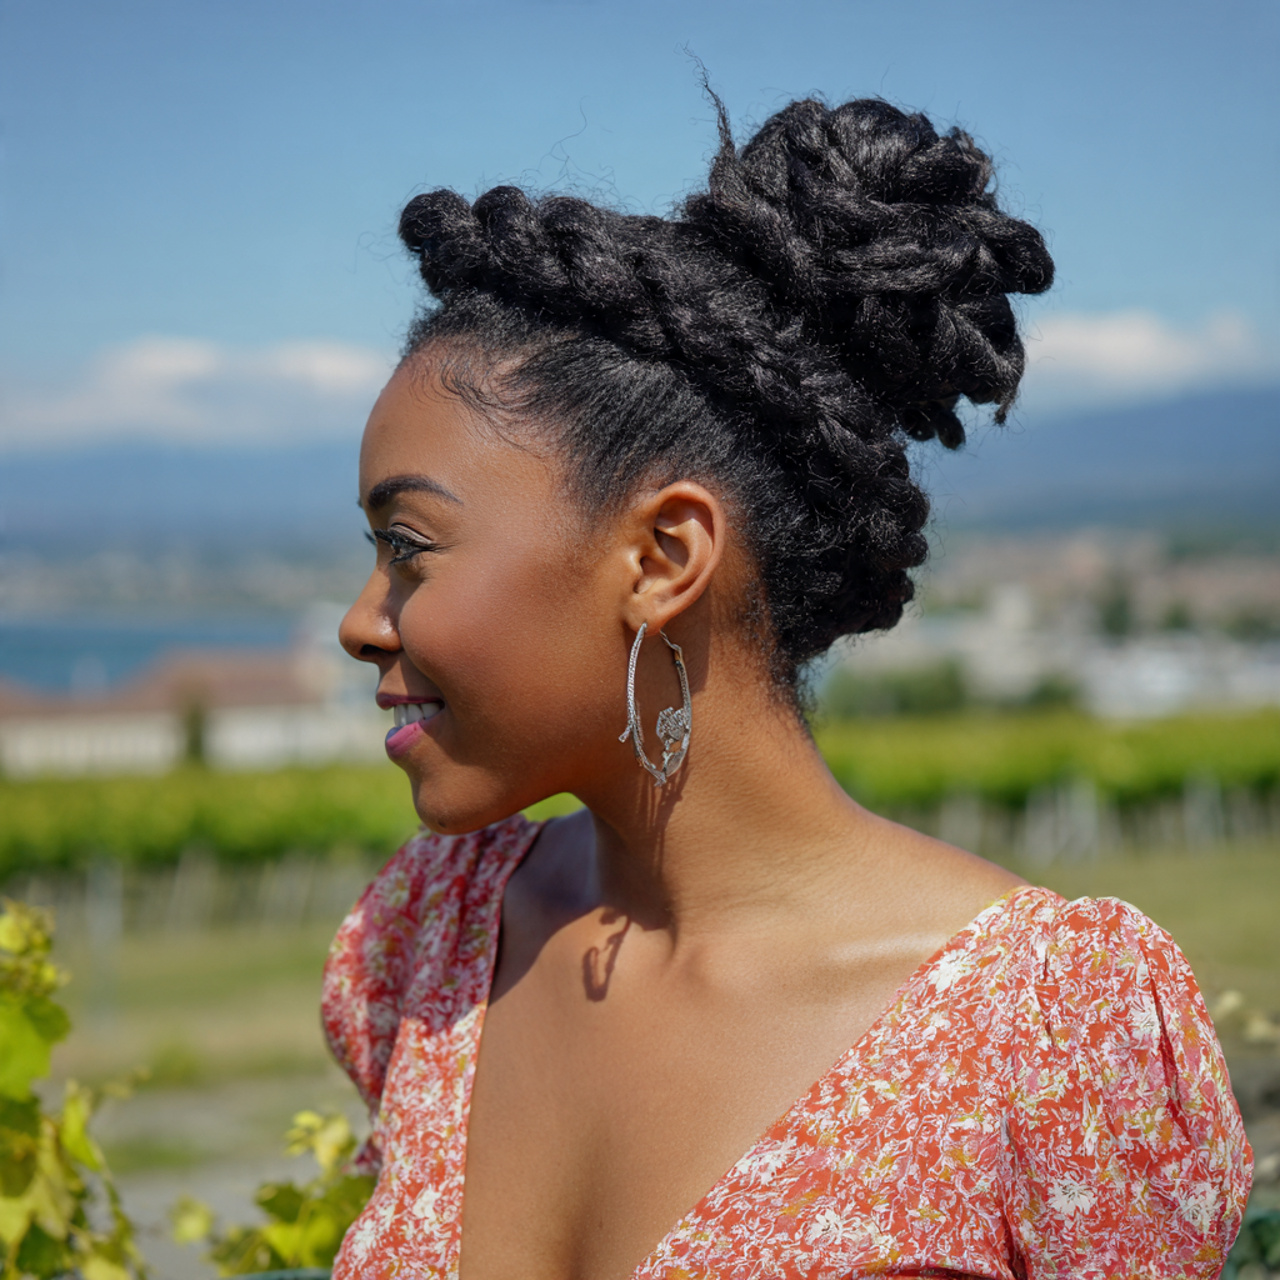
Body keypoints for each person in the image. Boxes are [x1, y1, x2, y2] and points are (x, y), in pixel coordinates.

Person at [324, 94, 1252, 1279]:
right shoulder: (435, 935)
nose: (361, 621)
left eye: (408, 547)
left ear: (662, 558)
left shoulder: (1037, 1031)